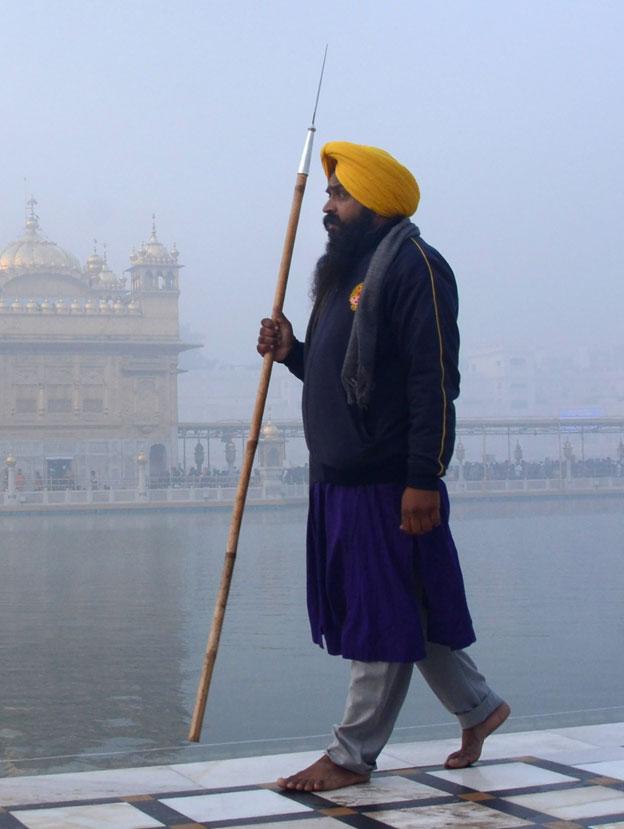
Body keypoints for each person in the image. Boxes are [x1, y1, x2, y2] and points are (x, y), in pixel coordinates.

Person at [256, 141, 510, 792]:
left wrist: (424, 477)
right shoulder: (345, 273)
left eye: (341, 194)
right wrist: (292, 353)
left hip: (389, 480)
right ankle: (479, 709)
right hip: (346, 479)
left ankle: (349, 755)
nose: (329, 205)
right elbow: (349, 379)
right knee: (410, 607)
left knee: (378, 612)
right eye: (330, 193)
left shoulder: (415, 267)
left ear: (376, 201)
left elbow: (433, 382)